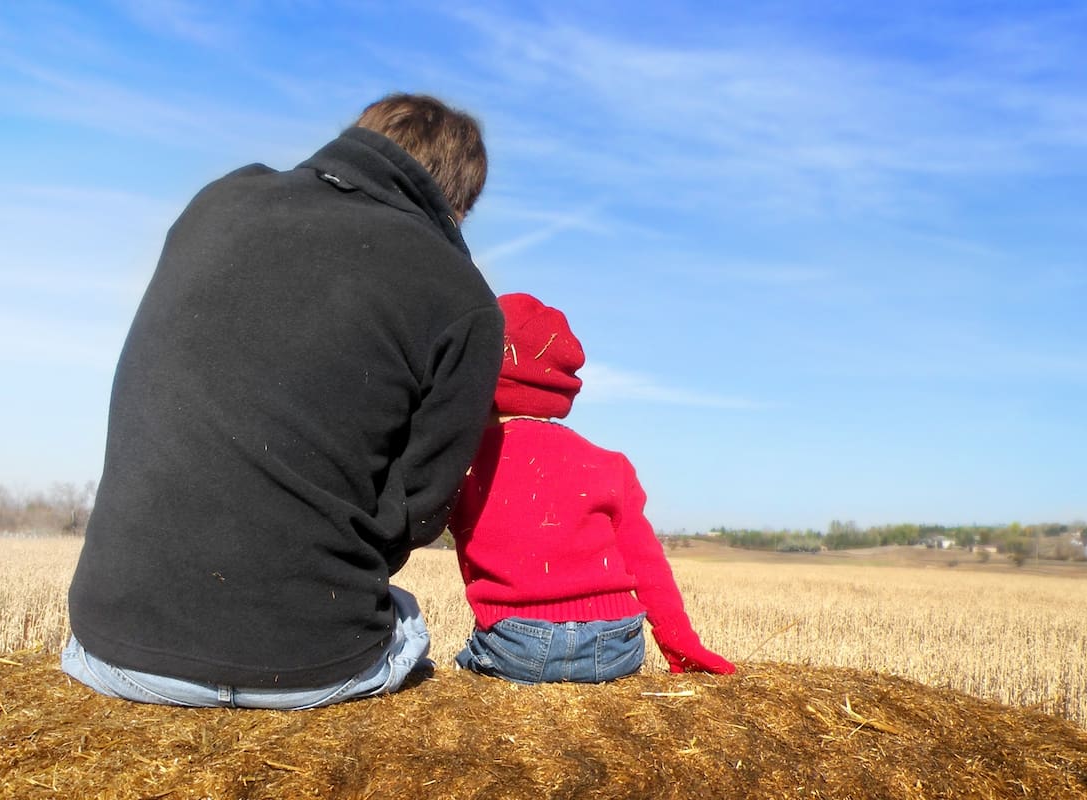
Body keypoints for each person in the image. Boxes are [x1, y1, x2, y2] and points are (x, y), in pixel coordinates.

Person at [63, 93, 504, 709]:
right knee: (407, 619)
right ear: (457, 203)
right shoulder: (465, 298)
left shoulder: (218, 201)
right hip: (307, 665)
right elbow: (419, 510)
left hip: (109, 648)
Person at [447, 293, 735, 684]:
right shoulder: (610, 465)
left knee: (461, 665)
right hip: (618, 643)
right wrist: (679, 642)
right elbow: (646, 562)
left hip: (520, 643)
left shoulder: (466, 464)